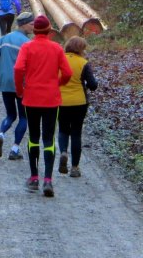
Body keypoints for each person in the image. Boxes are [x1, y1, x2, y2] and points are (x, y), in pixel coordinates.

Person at [14, 15, 72, 197]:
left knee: (33, 137)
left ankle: (34, 178)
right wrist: (58, 83)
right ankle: (48, 180)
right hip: (50, 100)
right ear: (48, 30)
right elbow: (68, 72)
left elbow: (18, 69)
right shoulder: (56, 48)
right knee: (48, 138)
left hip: (31, 98)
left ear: (34, 30)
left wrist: (19, 89)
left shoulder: (27, 47)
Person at [0, 12, 35, 160]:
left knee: (10, 114)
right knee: (24, 117)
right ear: (23, 24)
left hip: (5, 82)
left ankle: (1, 133)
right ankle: (14, 149)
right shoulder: (28, 43)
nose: (33, 27)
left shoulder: (4, 39)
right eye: (31, 24)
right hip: (22, 84)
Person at [57, 36, 98, 178]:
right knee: (76, 133)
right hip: (79, 102)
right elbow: (93, 85)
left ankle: (63, 151)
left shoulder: (59, 60)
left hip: (61, 101)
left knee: (63, 129)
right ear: (81, 49)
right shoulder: (83, 63)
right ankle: (75, 167)